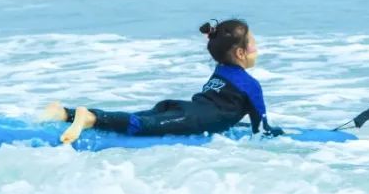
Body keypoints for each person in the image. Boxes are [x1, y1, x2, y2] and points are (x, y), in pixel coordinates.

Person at [44, 19, 282, 143]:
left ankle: (65, 113)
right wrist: (279, 135)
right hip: (190, 118)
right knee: (140, 126)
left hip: (180, 107)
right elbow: (261, 130)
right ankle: (90, 118)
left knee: (138, 117)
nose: (257, 48)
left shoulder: (220, 71)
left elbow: (222, 108)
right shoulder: (250, 85)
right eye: (253, 43)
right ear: (240, 53)